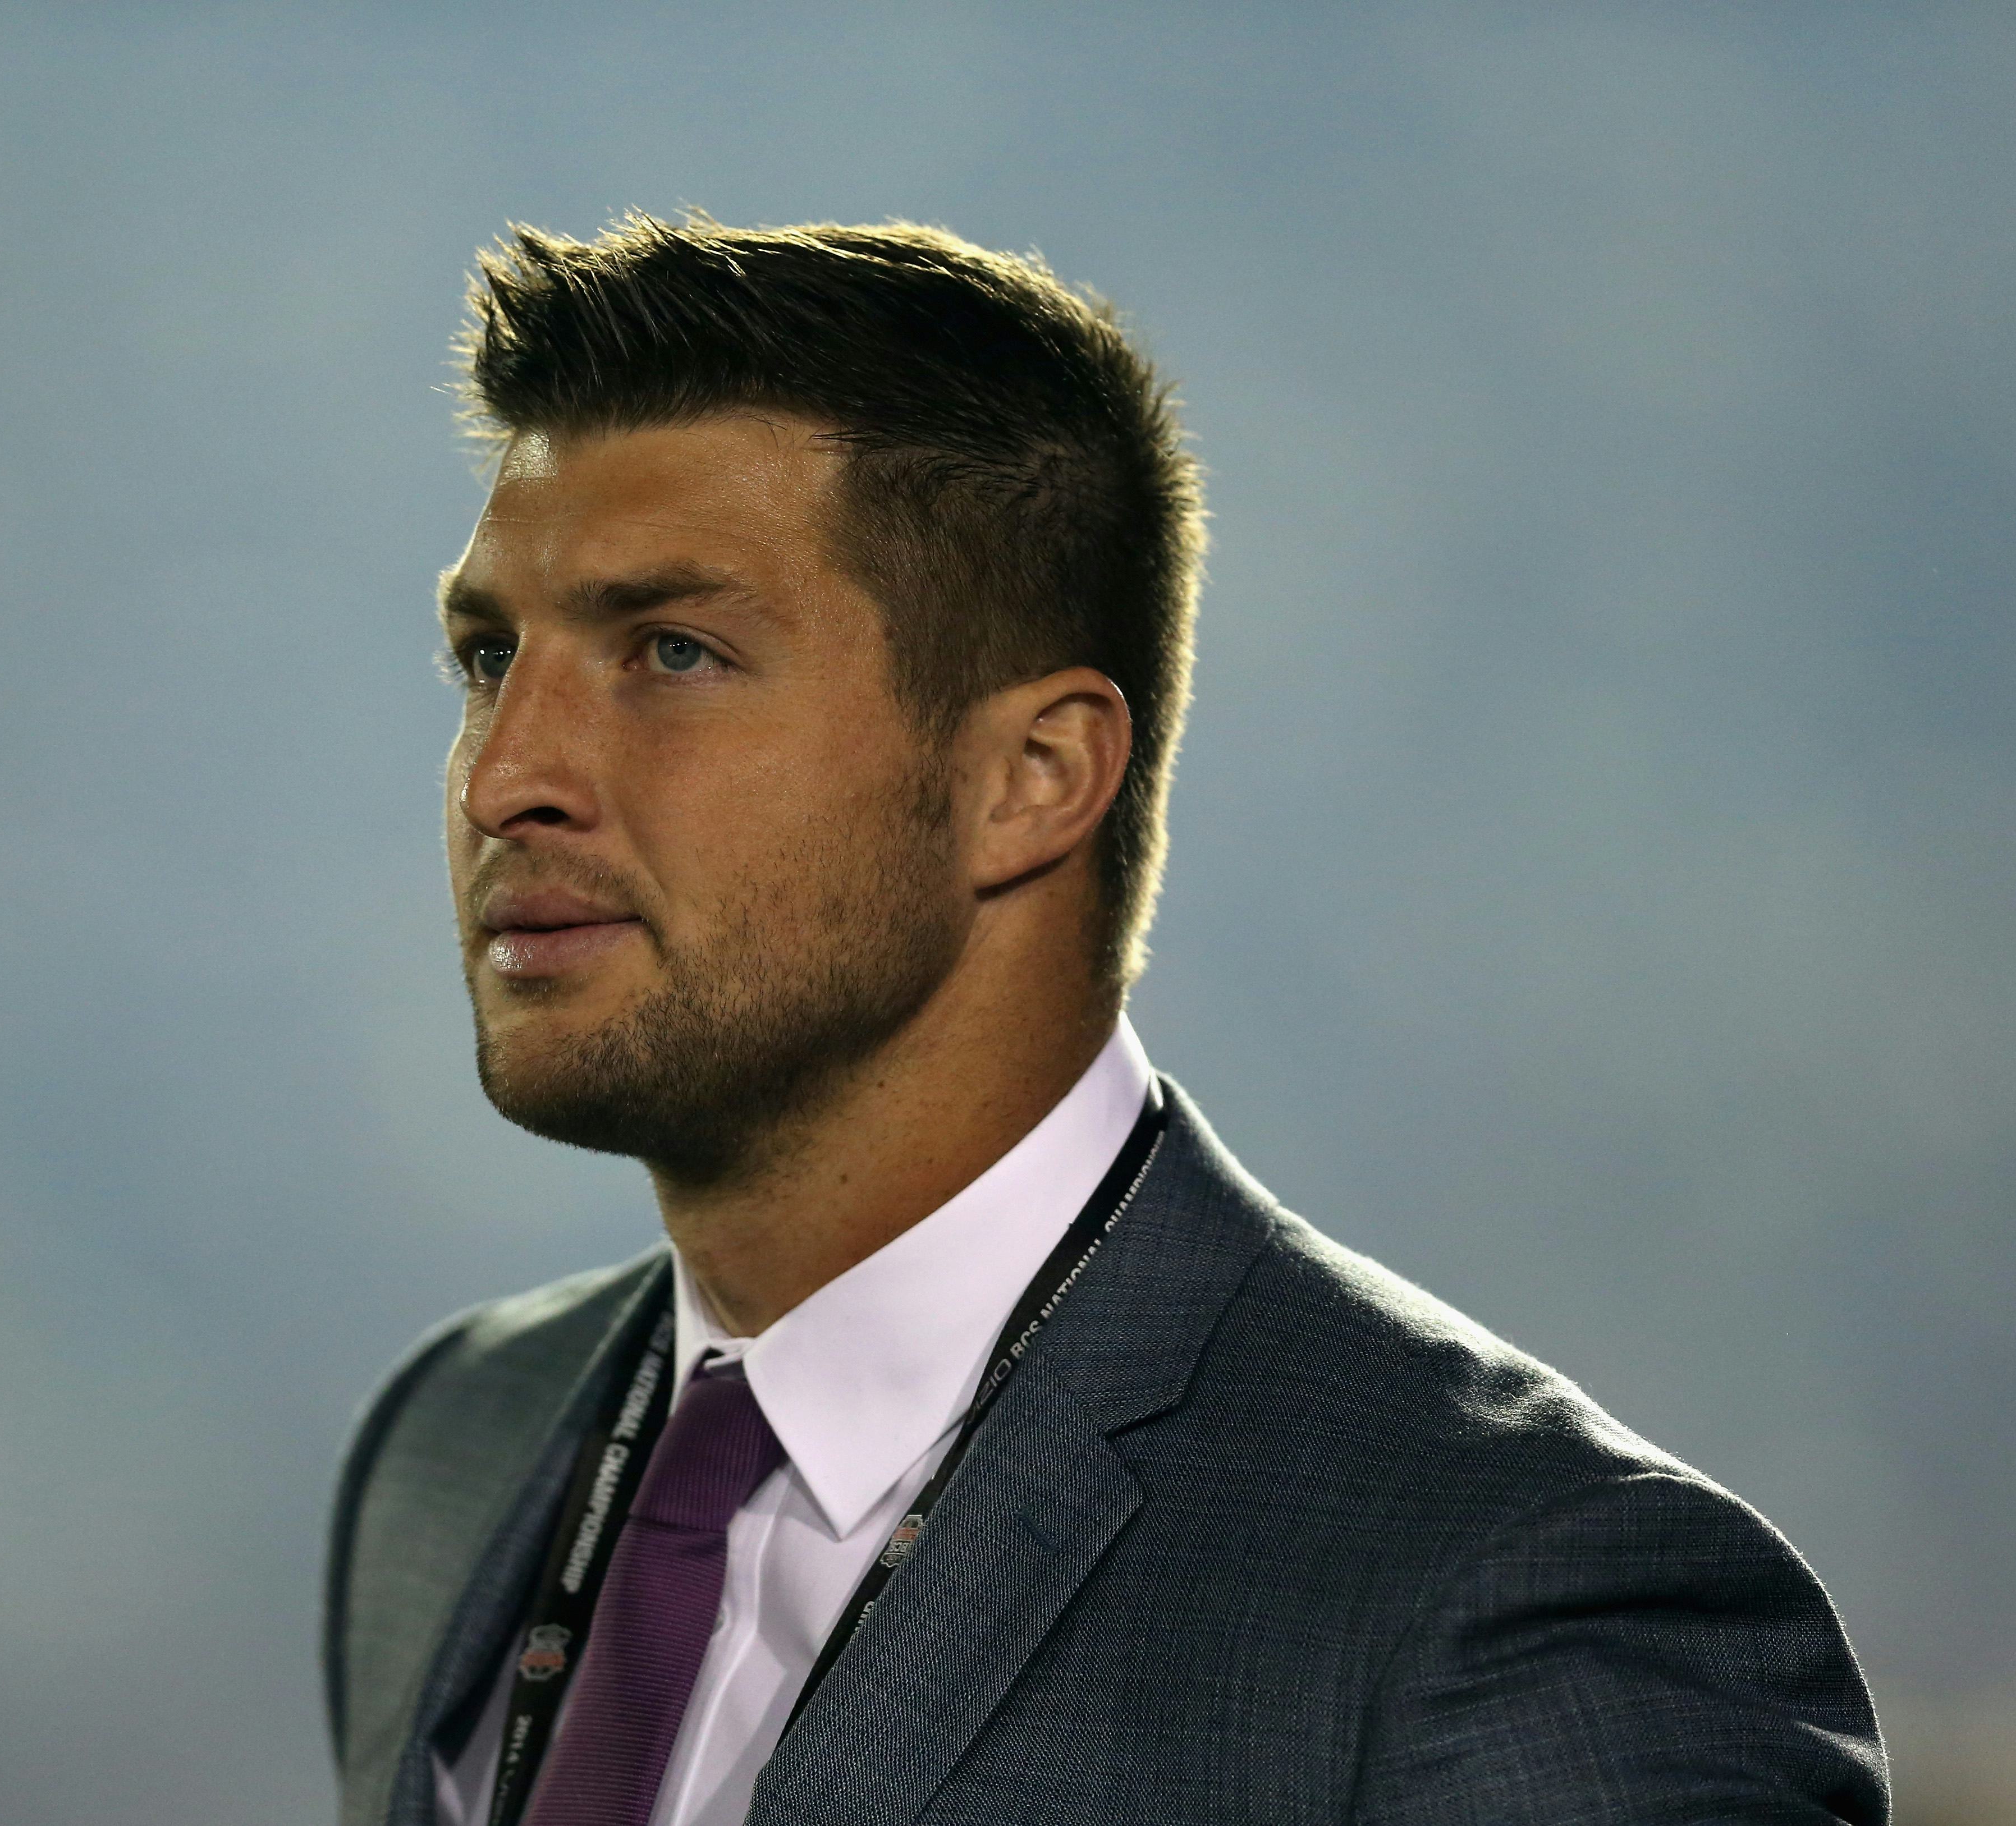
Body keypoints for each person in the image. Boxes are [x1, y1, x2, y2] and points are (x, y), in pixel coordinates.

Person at [320, 214, 1885, 1826]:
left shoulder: (1525, 1615)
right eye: (488, 658)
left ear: (1033, 778)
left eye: (673, 653)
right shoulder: (454, 1450)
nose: (506, 776)